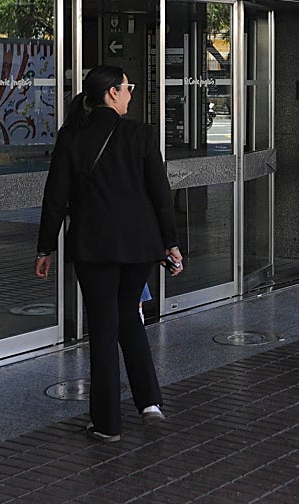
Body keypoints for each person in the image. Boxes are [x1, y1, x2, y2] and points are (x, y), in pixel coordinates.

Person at [35, 65, 184, 442]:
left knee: (104, 328)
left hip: (93, 246)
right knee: (129, 316)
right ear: (112, 92)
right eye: (128, 87)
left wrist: (45, 246)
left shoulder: (72, 136)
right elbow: (160, 194)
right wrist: (170, 243)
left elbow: (55, 197)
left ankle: (107, 424)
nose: (131, 93)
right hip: (139, 247)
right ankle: (150, 402)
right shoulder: (141, 134)